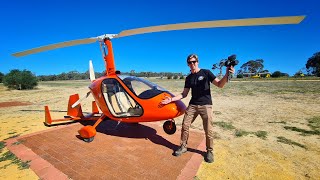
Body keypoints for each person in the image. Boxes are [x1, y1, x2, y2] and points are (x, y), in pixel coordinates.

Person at [161, 54, 234, 163]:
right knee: (185, 125)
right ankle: (183, 146)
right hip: (193, 105)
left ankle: (209, 151)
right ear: (188, 64)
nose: (192, 64)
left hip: (206, 105)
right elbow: (184, 94)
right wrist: (171, 100)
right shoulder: (189, 78)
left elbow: (220, 84)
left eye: (194, 62)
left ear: (198, 62)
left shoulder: (206, 72)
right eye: (190, 62)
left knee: (208, 129)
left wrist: (227, 74)